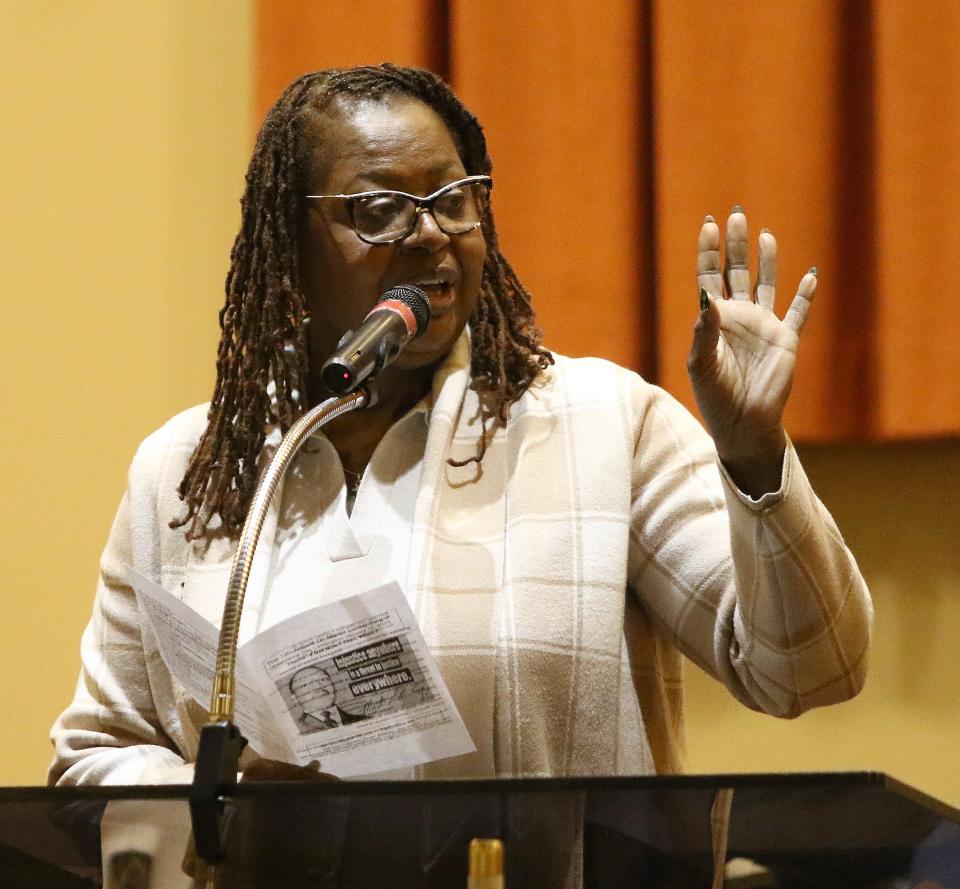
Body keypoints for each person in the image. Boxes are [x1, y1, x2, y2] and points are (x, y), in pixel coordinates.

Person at [49, 63, 872, 788]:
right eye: (379, 211)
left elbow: (810, 670)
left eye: (453, 200)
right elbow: (96, 749)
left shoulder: (603, 426)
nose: (433, 233)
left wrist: (754, 449)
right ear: (288, 241)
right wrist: (218, 796)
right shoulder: (186, 471)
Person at [288, 665, 368, 732]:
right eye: (305, 684)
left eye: (323, 679)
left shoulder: (365, 721)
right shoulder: (294, 731)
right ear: (295, 699)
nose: (318, 686)